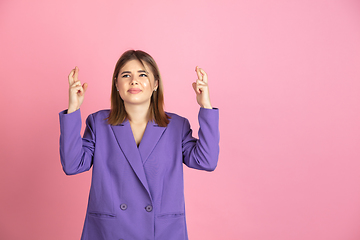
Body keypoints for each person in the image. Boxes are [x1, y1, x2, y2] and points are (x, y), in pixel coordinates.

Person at [59, 50, 219, 240]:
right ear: (116, 84)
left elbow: (206, 161)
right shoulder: (99, 123)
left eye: (143, 75)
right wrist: (73, 109)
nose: (134, 81)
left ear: (155, 84)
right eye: (126, 75)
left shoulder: (176, 125)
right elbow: (72, 165)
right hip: (109, 232)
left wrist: (206, 106)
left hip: (161, 232)